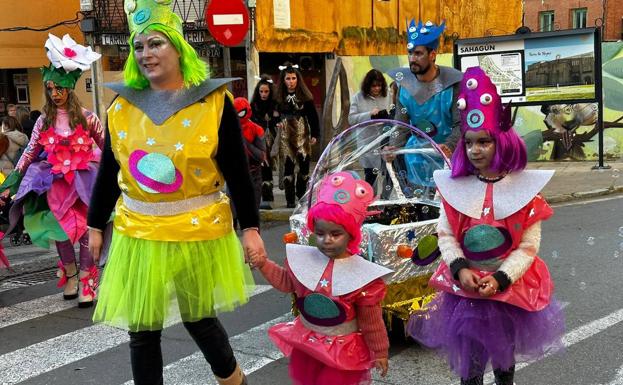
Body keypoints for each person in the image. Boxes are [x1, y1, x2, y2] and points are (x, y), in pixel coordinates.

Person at [86, 2, 265, 384]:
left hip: (195, 231)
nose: (146, 54)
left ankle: (234, 380)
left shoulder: (214, 103)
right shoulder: (121, 108)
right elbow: (109, 170)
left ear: (179, 48)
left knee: (199, 319)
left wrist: (249, 227)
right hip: (140, 233)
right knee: (143, 331)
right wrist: (95, 224)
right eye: (139, 47)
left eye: (155, 44)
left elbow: (237, 171)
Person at [407, 67, 565, 385]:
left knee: (505, 367)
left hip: (507, 290)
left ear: (502, 142)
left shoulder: (522, 192)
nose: (475, 150)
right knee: (471, 370)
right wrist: (460, 268)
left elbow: (528, 245)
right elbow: (446, 234)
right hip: (467, 292)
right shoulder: (456, 190)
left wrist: (502, 277)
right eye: (469, 143)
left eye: (484, 142)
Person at [249, 171, 392, 385]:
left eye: (335, 234)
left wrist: (380, 351)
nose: (326, 240)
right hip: (309, 343)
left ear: (351, 234)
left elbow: (371, 320)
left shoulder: (361, 276)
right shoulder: (306, 261)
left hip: (343, 348)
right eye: (320, 233)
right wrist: (263, 264)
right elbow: (286, 281)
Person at [0, 33, 103, 307]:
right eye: (50, 89)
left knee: (81, 231)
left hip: (83, 182)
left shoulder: (88, 118)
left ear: (70, 88)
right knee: (61, 231)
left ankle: (86, 279)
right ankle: (69, 274)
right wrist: (14, 179)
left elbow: (109, 148)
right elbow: (31, 150)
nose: (55, 94)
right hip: (55, 183)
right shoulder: (43, 120)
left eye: (59, 88)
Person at [388, 19, 463, 156]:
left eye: (418, 54)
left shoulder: (453, 82)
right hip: (417, 158)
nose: (412, 59)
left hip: (450, 159)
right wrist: (392, 147)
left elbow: (460, 123)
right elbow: (401, 126)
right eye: (410, 53)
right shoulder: (404, 86)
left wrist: (449, 146)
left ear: (432, 55)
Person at [275, 63, 320, 208]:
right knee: (288, 168)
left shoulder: (305, 97)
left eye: (293, 78)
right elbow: (273, 115)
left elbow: (313, 117)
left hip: (302, 135)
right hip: (285, 137)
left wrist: (315, 134)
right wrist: (276, 122)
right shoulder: (278, 97)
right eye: (288, 78)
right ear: (283, 80)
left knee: (304, 168)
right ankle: (289, 200)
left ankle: (301, 197)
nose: (291, 81)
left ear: (298, 79)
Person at [348, 69, 391, 187]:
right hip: (367, 142)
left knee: (389, 175)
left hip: (385, 141)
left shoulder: (388, 95)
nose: (377, 89)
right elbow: (351, 119)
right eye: (373, 86)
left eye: (379, 85)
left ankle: (385, 201)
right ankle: (370, 202)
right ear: (368, 86)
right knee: (371, 176)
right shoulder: (358, 97)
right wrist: (369, 115)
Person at [250, 75, 279, 210]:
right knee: (260, 166)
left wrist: (274, 120)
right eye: (261, 91)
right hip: (257, 139)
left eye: (266, 91)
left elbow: (278, 120)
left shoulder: (275, 104)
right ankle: (262, 197)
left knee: (269, 166)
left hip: (272, 138)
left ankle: (268, 196)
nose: (263, 94)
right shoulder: (254, 105)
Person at [233, 96, 265, 213]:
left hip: (253, 173)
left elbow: (261, 156)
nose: (237, 117)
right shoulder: (227, 129)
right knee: (234, 212)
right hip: (235, 174)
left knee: (252, 212)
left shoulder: (256, 129)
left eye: (240, 113)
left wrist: (243, 140)